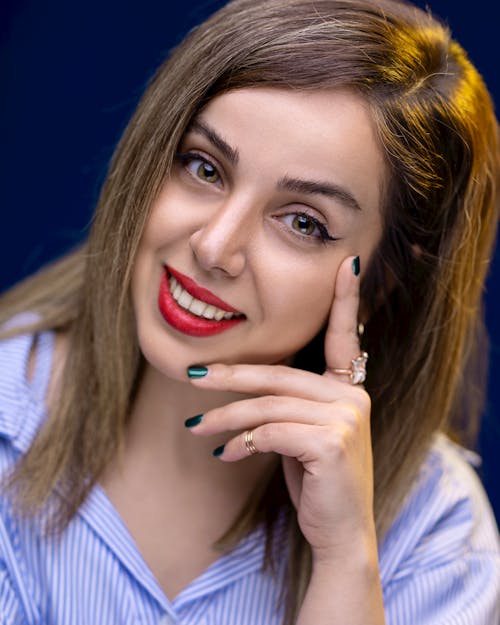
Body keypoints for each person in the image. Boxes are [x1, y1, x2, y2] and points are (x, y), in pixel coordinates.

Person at [0, 0, 499, 623]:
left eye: (302, 222)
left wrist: (346, 561)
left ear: (381, 282)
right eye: (204, 167)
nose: (214, 247)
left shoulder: (435, 529)